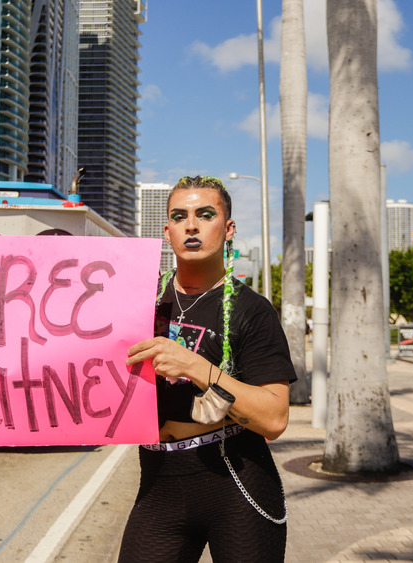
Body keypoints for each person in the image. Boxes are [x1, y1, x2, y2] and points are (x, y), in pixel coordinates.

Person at [118, 176, 296, 562]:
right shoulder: (139, 302)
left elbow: (275, 418)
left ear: (228, 228)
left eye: (205, 214)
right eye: (179, 216)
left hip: (236, 482)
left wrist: (196, 367)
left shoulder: (253, 310)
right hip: (158, 482)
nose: (192, 225)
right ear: (167, 232)